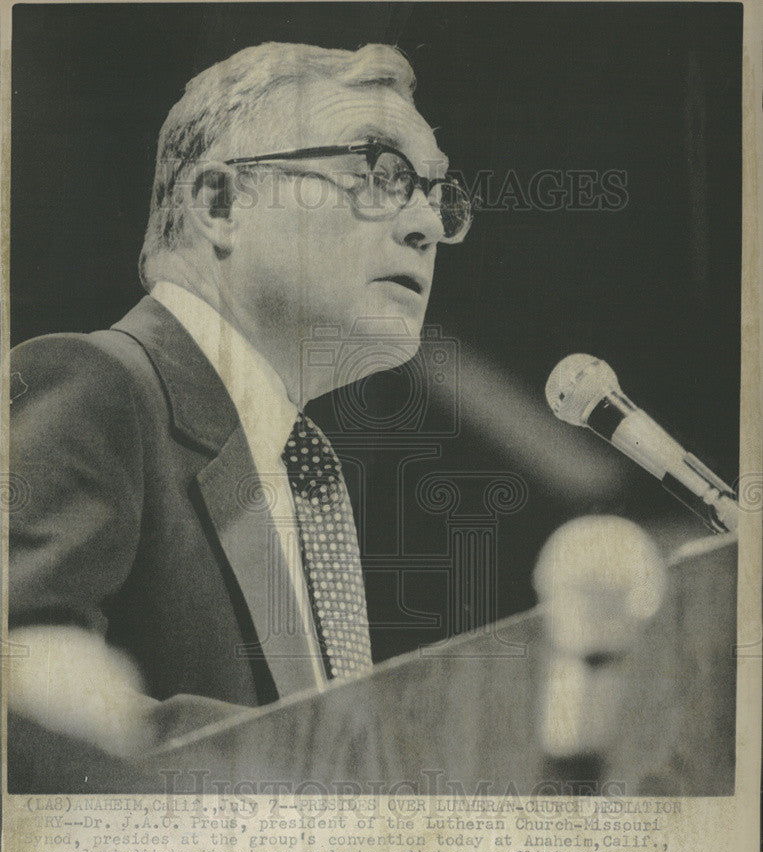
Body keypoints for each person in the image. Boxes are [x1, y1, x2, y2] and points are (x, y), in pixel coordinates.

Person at [7, 42, 472, 761]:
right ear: (220, 203)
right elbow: (19, 690)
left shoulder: (298, 470)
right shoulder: (97, 385)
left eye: (436, 193)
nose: (428, 225)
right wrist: (317, 776)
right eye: (378, 173)